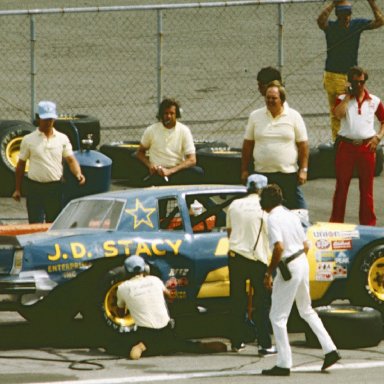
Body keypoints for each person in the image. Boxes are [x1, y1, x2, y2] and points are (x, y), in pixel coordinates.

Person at [260, 184, 340, 376]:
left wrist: (269, 272)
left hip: (289, 264)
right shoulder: (290, 214)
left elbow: (278, 248)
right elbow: (305, 245)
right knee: (306, 309)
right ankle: (330, 349)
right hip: (302, 261)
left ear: (267, 201)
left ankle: (284, 363)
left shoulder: (272, 218)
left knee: (277, 317)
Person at [116, 255, 227, 360]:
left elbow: (120, 314)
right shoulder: (155, 280)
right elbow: (170, 298)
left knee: (119, 343)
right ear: (145, 268)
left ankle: (141, 346)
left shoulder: (122, 288)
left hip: (147, 335)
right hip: (167, 333)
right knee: (187, 345)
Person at [317, 0, 384, 141]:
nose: (346, 18)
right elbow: (320, 21)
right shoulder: (332, 26)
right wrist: (333, 4)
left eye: (348, 14)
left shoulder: (357, 25)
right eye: (342, 15)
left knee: (351, 111)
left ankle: (349, 140)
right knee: (338, 113)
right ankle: (338, 143)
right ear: (337, 15)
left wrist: (371, 3)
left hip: (351, 75)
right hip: (334, 75)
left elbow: (380, 21)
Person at [226, 174, 276, 356]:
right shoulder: (266, 208)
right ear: (263, 189)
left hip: (235, 256)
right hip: (257, 259)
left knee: (236, 301)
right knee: (262, 304)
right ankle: (264, 344)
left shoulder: (234, 205)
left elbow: (229, 233)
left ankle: (236, 342)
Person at [12, 101, 85, 223]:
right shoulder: (28, 139)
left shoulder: (62, 138)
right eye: (45, 119)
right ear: (39, 118)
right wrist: (18, 189)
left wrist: (78, 173)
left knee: (54, 222)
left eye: (51, 119)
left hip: (55, 187)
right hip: (34, 187)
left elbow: (71, 160)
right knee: (35, 223)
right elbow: (21, 164)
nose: (48, 122)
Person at [241, 81, 309, 210]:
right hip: (262, 174)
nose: (270, 101)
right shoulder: (255, 116)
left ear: (282, 100)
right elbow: (247, 145)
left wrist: (303, 170)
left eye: (274, 98)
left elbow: (303, 145)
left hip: (287, 174)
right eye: (268, 98)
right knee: (262, 212)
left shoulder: (294, 116)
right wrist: (244, 170)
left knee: (299, 212)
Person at [330, 66, 384, 226]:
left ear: (365, 82)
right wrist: (347, 97)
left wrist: (378, 137)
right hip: (346, 146)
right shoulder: (342, 99)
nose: (358, 85)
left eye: (361, 82)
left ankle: (368, 224)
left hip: (367, 147)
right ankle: (336, 223)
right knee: (341, 186)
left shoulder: (374, 101)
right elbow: (338, 114)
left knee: (366, 188)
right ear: (350, 82)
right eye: (355, 82)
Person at [136, 98, 203, 185]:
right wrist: (150, 165)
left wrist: (170, 171)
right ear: (161, 115)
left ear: (176, 115)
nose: (168, 116)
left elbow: (192, 160)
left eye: (172, 113)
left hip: (176, 171)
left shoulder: (184, 130)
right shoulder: (151, 130)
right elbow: (139, 153)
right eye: (166, 113)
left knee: (198, 172)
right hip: (157, 172)